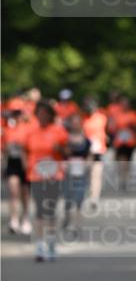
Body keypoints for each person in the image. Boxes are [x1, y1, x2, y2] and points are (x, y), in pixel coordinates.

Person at [24, 100, 69, 262]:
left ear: (50, 115)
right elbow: (25, 150)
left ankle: (51, 243)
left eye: (45, 113)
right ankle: (40, 244)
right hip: (36, 176)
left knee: (50, 209)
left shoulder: (58, 131)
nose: (42, 116)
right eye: (39, 113)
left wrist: (61, 149)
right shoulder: (31, 131)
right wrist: (26, 167)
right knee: (39, 210)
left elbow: (67, 152)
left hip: (53, 175)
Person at [1, 103, 33, 235]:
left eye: (18, 113)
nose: (16, 116)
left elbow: (32, 147)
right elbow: (3, 149)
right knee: (13, 191)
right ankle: (13, 219)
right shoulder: (8, 130)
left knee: (25, 193)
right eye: (14, 113)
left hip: (25, 164)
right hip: (12, 163)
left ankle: (25, 218)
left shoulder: (29, 129)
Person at [62, 112, 92, 238]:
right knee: (68, 199)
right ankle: (68, 220)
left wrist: (88, 166)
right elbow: (62, 155)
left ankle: (77, 225)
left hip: (81, 172)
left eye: (77, 123)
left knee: (79, 199)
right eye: (73, 123)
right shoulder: (65, 139)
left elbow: (90, 156)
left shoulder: (86, 141)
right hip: (68, 172)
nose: (75, 125)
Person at [109, 95, 136, 190]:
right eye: (123, 103)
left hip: (130, 142)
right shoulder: (116, 115)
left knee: (127, 161)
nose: (125, 105)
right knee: (121, 160)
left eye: (126, 103)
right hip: (119, 142)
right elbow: (112, 129)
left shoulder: (133, 114)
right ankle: (122, 178)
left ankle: (125, 178)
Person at [82, 97, 107, 206]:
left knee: (96, 173)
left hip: (98, 150)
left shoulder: (102, 118)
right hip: (85, 151)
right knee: (85, 174)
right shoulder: (82, 119)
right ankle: (84, 194)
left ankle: (94, 197)